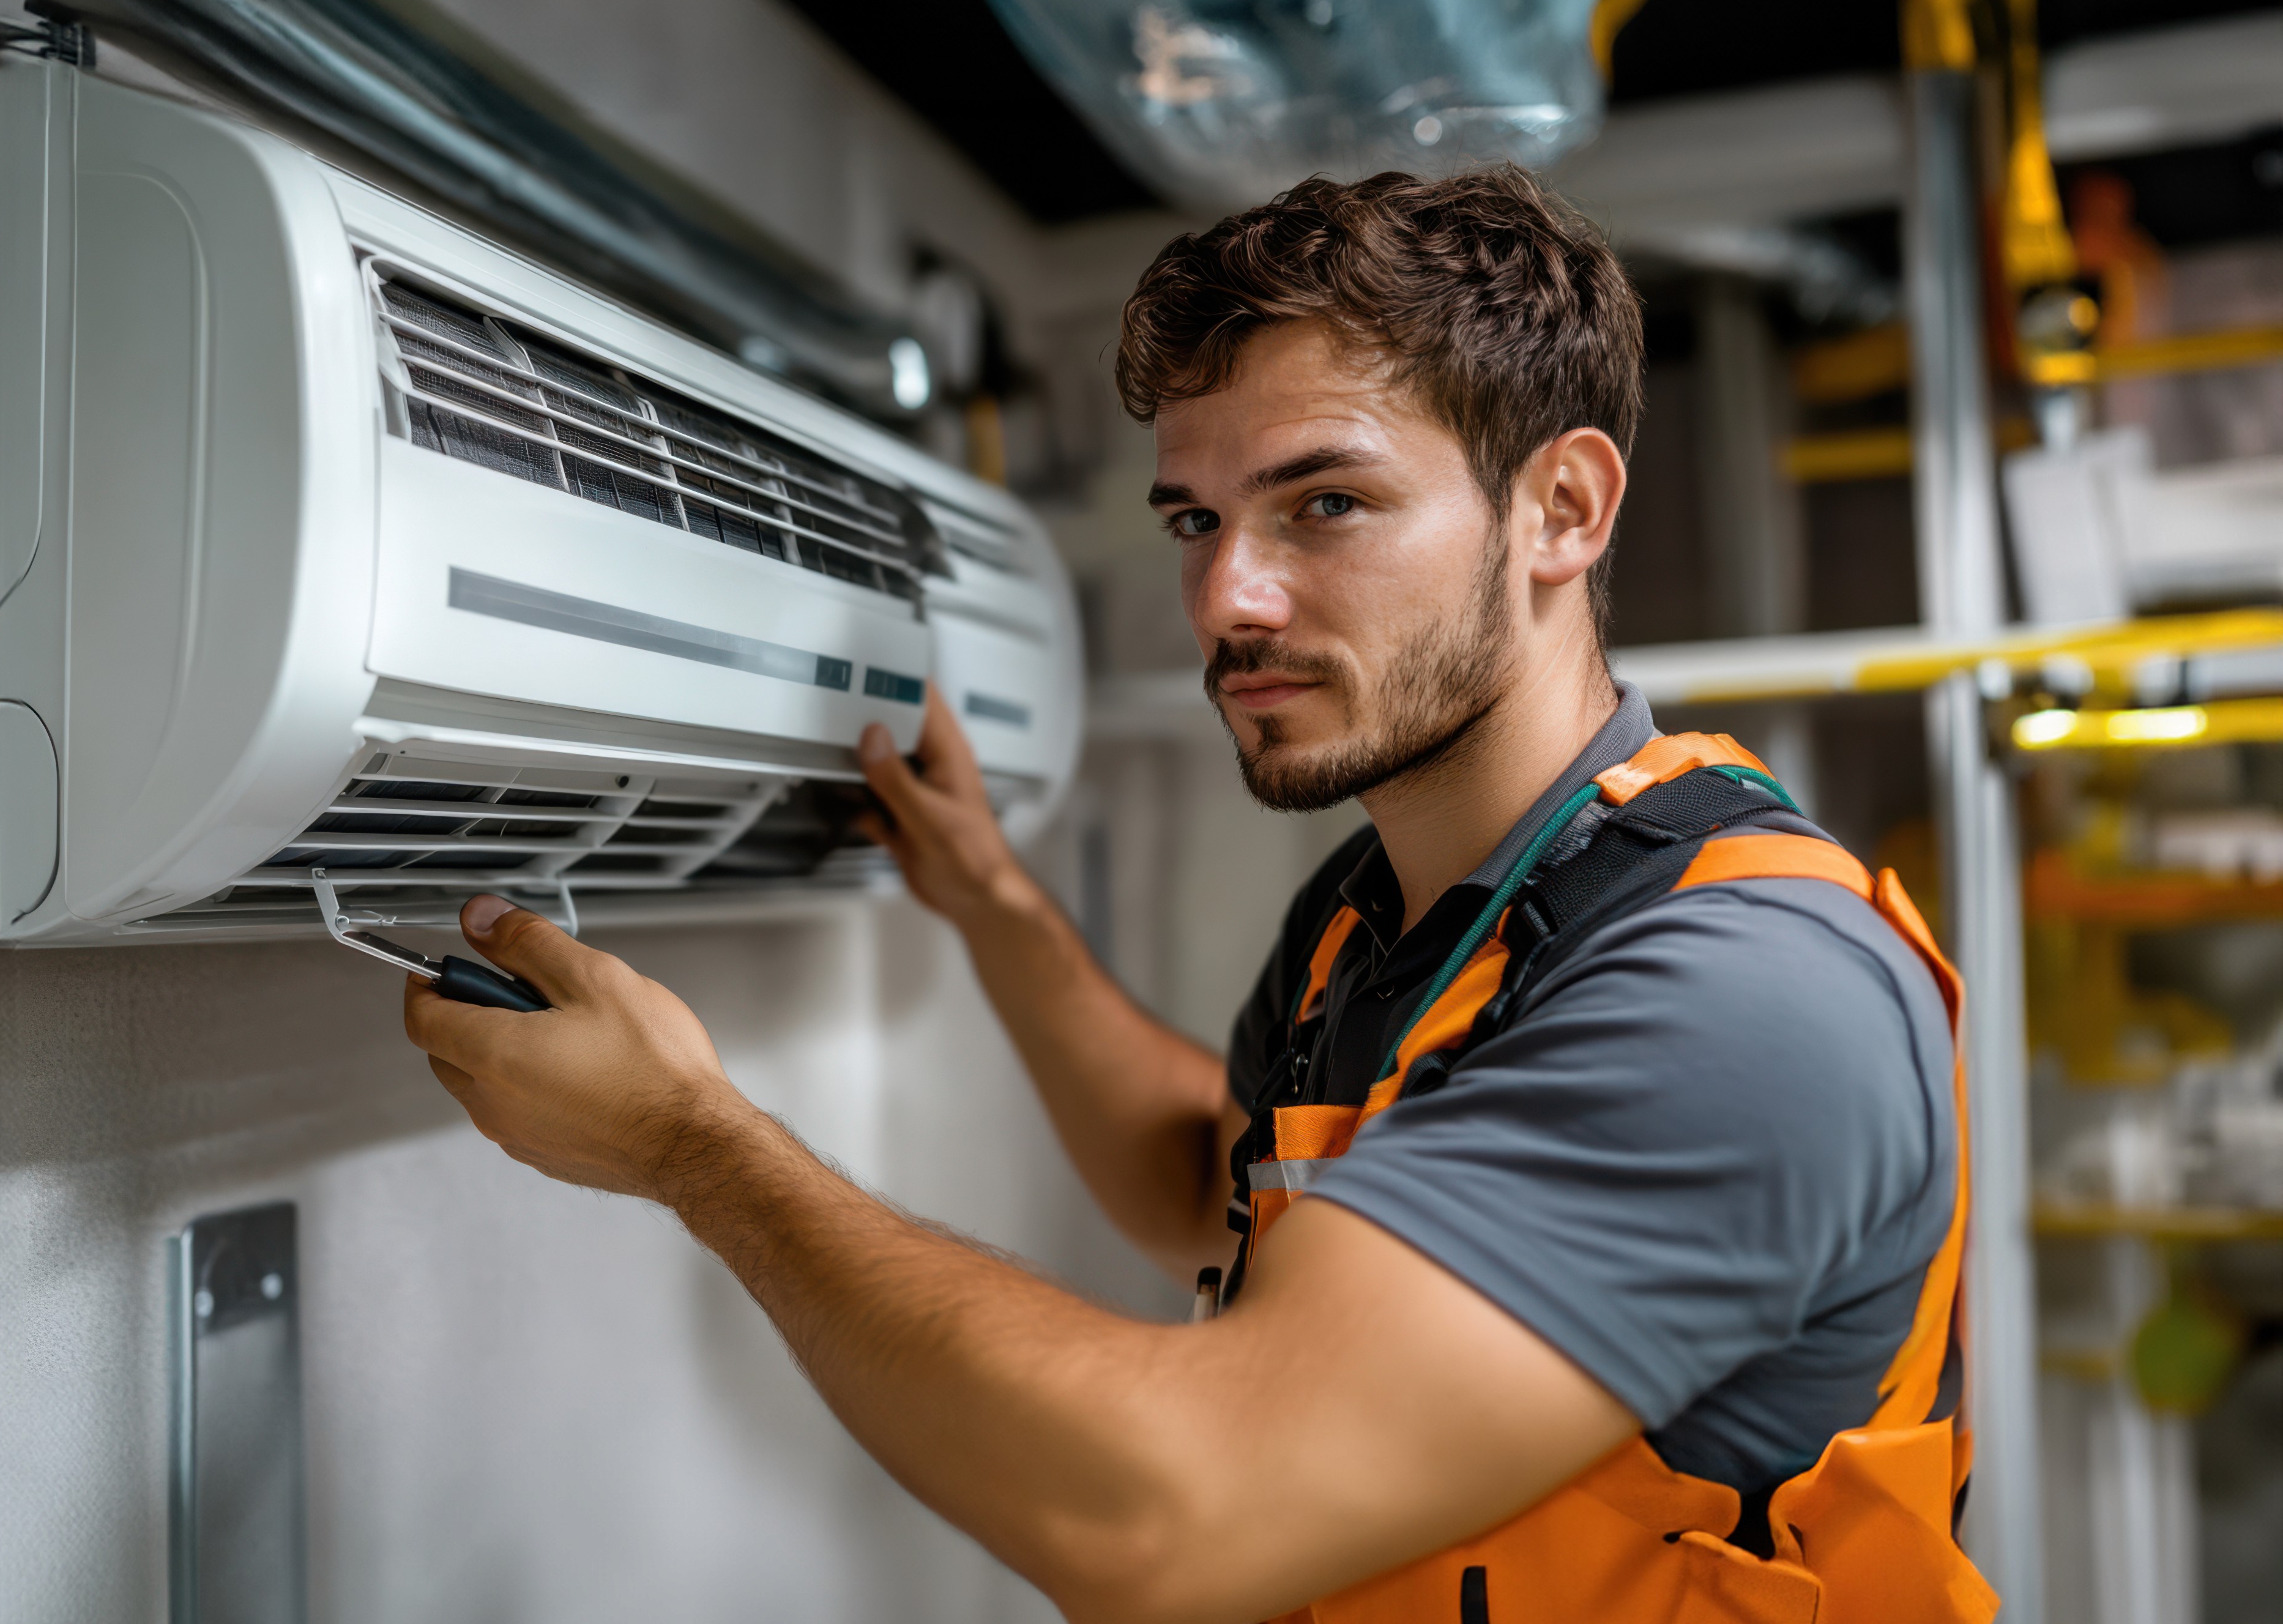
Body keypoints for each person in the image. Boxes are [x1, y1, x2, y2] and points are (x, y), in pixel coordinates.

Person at [403, 169, 1995, 1623]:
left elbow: (1178, 1510)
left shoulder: (1748, 989)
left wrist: (694, 1140)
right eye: (1197, 519)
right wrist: (991, 904)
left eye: (1327, 503)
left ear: (1562, 511)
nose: (1228, 593)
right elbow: (1208, 1177)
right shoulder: (1378, 921)